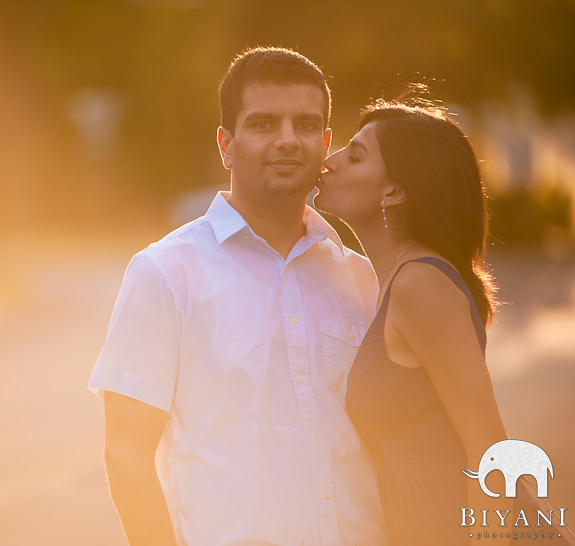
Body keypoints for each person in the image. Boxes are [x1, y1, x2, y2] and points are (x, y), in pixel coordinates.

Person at [88, 47, 388, 545]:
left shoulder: (359, 276)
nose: (288, 140)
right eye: (265, 124)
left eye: (306, 125)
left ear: (326, 142)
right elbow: (126, 456)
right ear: (226, 144)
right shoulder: (165, 274)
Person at [313, 96, 574, 545]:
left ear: (393, 191)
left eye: (354, 155)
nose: (328, 161)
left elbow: (489, 448)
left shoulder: (421, 285)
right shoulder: (397, 282)